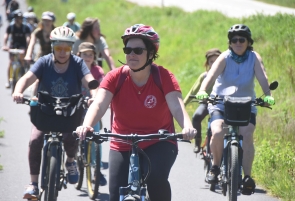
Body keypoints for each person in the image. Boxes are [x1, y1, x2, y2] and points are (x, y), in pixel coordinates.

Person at [75, 24, 197, 201]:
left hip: (159, 141)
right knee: (116, 195)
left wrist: (187, 126)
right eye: (128, 49)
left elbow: (177, 105)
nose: (132, 54)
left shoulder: (163, 76)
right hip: (123, 142)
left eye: (138, 50)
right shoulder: (115, 77)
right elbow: (99, 104)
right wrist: (86, 125)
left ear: (150, 53)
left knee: (156, 180)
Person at [12, 26, 97, 199]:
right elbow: (27, 78)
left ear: (72, 49)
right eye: (59, 48)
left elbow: (89, 81)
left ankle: (71, 161)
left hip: (70, 110)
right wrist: (18, 91)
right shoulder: (44, 62)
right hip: (45, 109)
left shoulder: (78, 63)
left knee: (71, 137)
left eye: (67, 48)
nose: (63, 52)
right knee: (35, 140)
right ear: (53, 47)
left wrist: (94, 95)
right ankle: (33, 184)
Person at [196, 24, 275, 195]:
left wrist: (268, 94)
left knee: (247, 134)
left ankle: (247, 176)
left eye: (242, 39)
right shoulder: (224, 57)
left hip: (247, 103)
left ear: (248, 42)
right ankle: (215, 167)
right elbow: (211, 75)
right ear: (230, 43)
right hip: (221, 102)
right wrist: (203, 91)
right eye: (234, 40)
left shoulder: (254, 57)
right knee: (217, 131)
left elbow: (262, 76)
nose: (238, 42)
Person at [77, 42, 107, 186]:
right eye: (85, 54)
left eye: (90, 54)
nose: (88, 57)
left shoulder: (97, 70)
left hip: (91, 106)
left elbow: (102, 86)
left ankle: (97, 170)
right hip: (75, 106)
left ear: (94, 56)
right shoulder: (74, 69)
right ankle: (72, 158)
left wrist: (96, 98)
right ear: (79, 55)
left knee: (96, 136)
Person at [183, 48, 221, 153]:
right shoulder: (204, 76)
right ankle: (197, 143)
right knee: (196, 116)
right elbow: (192, 91)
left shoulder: (225, 75)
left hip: (221, 104)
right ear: (207, 63)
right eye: (211, 61)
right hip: (205, 103)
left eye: (216, 61)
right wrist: (183, 105)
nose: (214, 64)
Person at [2, 9, 30, 88]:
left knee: (22, 62)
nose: (19, 19)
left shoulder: (25, 27)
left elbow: (28, 38)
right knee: (10, 62)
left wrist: (27, 47)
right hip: (13, 47)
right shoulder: (11, 27)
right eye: (17, 18)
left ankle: (23, 75)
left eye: (20, 18)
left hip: (22, 47)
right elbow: (6, 36)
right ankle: (8, 81)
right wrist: (5, 45)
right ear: (15, 18)